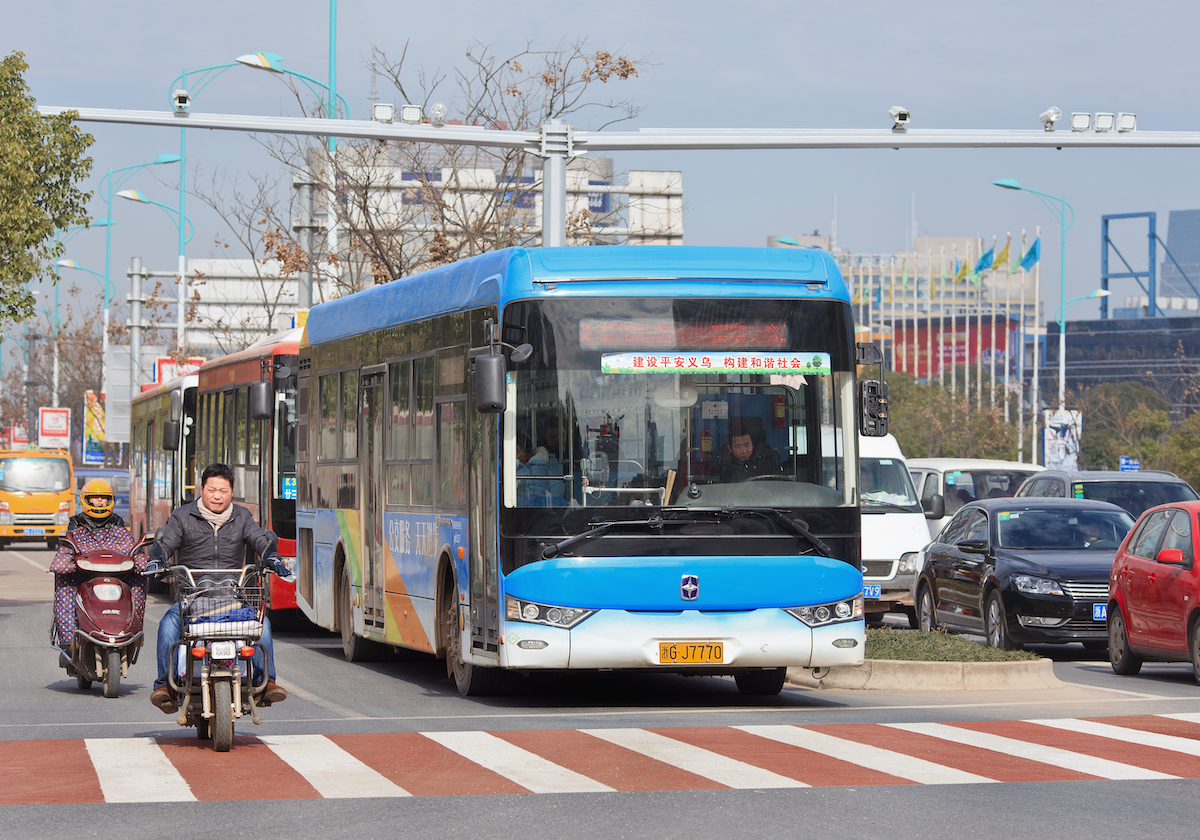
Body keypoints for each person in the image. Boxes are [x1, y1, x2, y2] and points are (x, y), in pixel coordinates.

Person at [148, 463, 290, 713]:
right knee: (167, 626)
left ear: (232, 491)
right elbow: (166, 543)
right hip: (192, 599)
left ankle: (264, 681)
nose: (217, 495)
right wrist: (158, 558)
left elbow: (259, 539)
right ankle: (165, 686)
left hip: (232, 598)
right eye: (212, 489)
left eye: (223, 490)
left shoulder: (242, 516)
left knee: (263, 625)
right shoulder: (182, 516)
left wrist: (272, 557)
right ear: (202, 488)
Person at [50, 479, 146, 651]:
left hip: (117, 577)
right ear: (86, 500)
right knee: (64, 584)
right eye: (95, 497)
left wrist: (141, 564)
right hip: (83, 576)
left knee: (139, 582)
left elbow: (134, 553)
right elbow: (63, 557)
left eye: (104, 498)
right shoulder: (75, 526)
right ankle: (68, 638)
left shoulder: (120, 528)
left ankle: (133, 634)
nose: (100, 501)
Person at [712, 419, 782, 482]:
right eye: (738, 446)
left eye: (747, 445)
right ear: (729, 448)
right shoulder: (723, 464)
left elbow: (776, 484)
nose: (744, 451)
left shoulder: (766, 460)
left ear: (752, 445)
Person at [516, 432, 564, 505]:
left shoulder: (548, 459)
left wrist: (549, 504)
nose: (516, 447)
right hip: (520, 509)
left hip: (546, 507)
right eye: (511, 445)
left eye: (519, 443)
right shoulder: (508, 467)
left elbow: (556, 486)